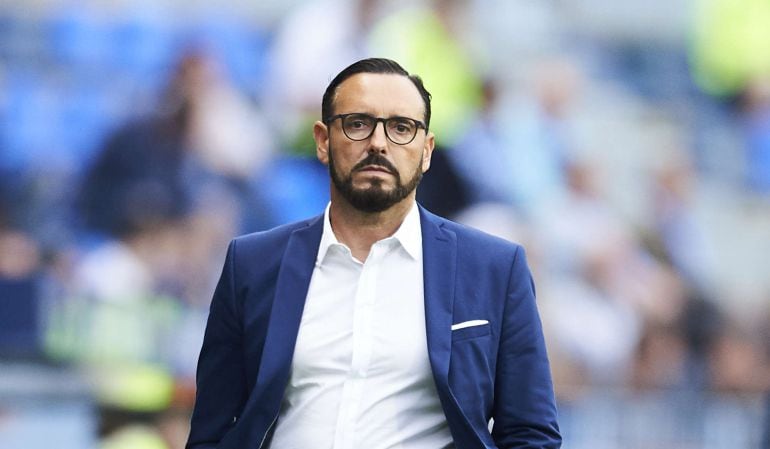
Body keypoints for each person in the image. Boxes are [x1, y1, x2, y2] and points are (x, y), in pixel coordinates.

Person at [186, 58, 561, 449]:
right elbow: (212, 431)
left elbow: (530, 433)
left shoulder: (495, 270)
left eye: (402, 127)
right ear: (322, 140)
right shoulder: (251, 264)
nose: (379, 143)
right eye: (358, 123)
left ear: (427, 151)